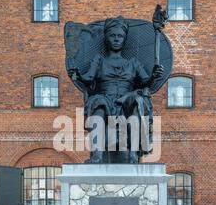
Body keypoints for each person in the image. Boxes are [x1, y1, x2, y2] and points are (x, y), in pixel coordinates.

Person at [68, 16, 164, 164]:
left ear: (124, 38)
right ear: (107, 38)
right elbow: (88, 79)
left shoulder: (133, 63)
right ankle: (97, 156)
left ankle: (133, 155)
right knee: (98, 104)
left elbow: (146, 83)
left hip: (127, 100)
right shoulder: (99, 60)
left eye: (120, 36)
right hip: (105, 98)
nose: (116, 39)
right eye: (113, 36)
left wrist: (154, 76)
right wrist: (78, 75)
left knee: (138, 102)